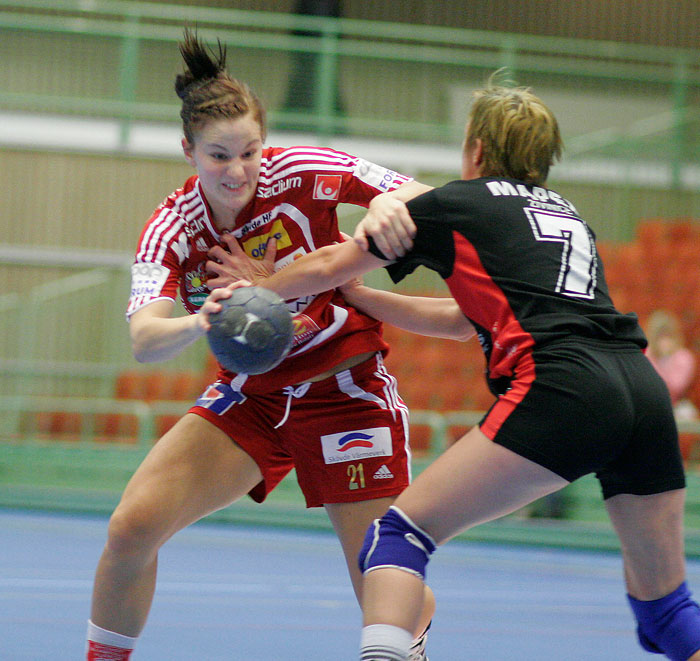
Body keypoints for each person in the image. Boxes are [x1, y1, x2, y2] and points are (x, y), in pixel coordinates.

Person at [219, 74, 700, 660]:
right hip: (641, 389)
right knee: (666, 611)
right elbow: (467, 317)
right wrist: (365, 298)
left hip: (566, 387)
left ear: (475, 149)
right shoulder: (572, 220)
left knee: (397, 537)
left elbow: (326, 266)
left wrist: (265, 284)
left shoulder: (455, 203)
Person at [84, 29, 451, 660]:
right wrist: (202, 322)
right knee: (131, 528)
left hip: (345, 392)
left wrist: (389, 207)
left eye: (250, 152)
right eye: (219, 156)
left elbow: (419, 194)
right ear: (188, 151)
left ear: (266, 143)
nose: (238, 170)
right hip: (251, 398)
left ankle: (412, 638)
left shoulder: (304, 171)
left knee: (382, 587)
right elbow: (145, 339)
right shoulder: (174, 227)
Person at [646, 309, 698, 421]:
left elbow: (675, 387)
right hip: (649, 406)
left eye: (667, 336)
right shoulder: (646, 356)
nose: (664, 341)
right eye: (660, 336)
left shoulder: (684, 357)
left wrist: (666, 360)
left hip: (676, 407)